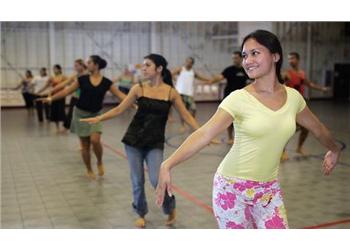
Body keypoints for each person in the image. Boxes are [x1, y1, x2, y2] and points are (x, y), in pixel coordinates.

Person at [155, 30, 340, 229]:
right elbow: (205, 133)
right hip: (232, 188)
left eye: (255, 53)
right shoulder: (239, 98)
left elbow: (318, 128)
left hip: (268, 190)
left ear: (275, 56)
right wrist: (168, 164)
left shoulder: (294, 97)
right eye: (245, 55)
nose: (247, 60)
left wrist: (335, 149)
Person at [80, 54, 200, 228]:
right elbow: (119, 109)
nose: (143, 68)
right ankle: (141, 212)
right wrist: (99, 118)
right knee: (137, 181)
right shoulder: (138, 88)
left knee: (156, 179)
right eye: (142, 65)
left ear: (159, 69)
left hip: (154, 143)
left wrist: (203, 132)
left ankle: (170, 207)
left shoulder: (170, 92)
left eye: (147, 65)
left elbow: (186, 115)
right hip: (133, 141)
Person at [37, 55, 126, 180]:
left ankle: (99, 161)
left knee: (95, 140)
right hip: (80, 113)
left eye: (89, 62)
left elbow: (120, 95)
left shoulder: (106, 82)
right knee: (85, 145)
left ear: (96, 65)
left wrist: (133, 104)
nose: (87, 65)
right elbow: (66, 91)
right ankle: (89, 169)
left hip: (96, 115)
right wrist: (51, 98)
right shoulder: (82, 79)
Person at [281, 52, 329, 160]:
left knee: (306, 128)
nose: (290, 61)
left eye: (292, 58)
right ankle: (282, 152)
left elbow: (309, 84)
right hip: (289, 105)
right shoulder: (286, 74)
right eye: (288, 59)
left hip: (300, 105)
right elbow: (279, 85)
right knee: (288, 129)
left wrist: (322, 89)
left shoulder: (302, 73)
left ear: (298, 59)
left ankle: (299, 147)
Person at [207, 51, 250, 144]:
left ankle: (240, 137)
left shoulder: (246, 70)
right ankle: (230, 137)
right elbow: (220, 77)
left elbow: (252, 81)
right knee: (230, 118)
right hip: (229, 98)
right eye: (233, 58)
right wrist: (212, 80)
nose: (234, 60)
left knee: (242, 119)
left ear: (241, 58)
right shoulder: (229, 70)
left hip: (242, 98)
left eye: (236, 58)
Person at [172, 57, 211, 132]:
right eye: (187, 61)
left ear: (192, 64)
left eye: (190, 62)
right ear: (185, 62)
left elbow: (201, 78)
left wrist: (210, 80)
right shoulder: (180, 69)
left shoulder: (193, 72)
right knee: (182, 110)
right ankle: (182, 125)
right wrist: (174, 78)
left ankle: (192, 124)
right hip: (180, 93)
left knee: (193, 109)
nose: (188, 63)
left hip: (189, 94)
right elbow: (171, 74)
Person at [48, 59, 88, 131]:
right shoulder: (75, 76)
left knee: (85, 113)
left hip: (85, 98)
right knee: (71, 113)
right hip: (75, 97)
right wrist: (52, 90)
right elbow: (64, 83)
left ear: (82, 65)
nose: (75, 68)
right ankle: (66, 127)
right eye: (74, 66)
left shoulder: (88, 75)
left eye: (76, 66)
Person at [37, 64, 68, 133]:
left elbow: (70, 83)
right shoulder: (51, 78)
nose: (54, 70)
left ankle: (64, 127)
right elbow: (46, 86)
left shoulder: (63, 77)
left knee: (61, 110)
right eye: (53, 69)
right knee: (55, 111)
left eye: (55, 69)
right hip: (54, 95)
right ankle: (57, 128)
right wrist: (39, 92)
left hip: (61, 95)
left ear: (59, 69)